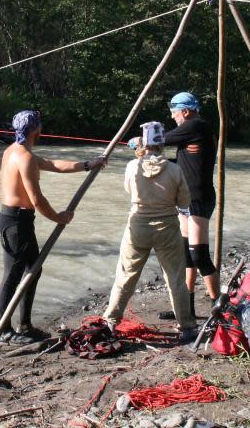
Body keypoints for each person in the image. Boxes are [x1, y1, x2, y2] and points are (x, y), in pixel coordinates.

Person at [0, 109, 106, 345]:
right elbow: (37, 200)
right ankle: (5, 331)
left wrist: (88, 164)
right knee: (13, 275)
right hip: (17, 222)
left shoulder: (15, 151)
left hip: (15, 220)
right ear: (36, 129)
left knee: (32, 271)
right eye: (39, 124)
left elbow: (55, 164)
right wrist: (59, 218)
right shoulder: (24, 157)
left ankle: (24, 325)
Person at [104, 121, 197, 343]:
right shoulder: (175, 169)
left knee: (125, 275)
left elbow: (129, 190)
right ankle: (186, 327)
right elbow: (184, 201)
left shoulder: (132, 167)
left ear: (143, 143)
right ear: (163, 144)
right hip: (167, 226)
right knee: (175, 277)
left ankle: (110, 322)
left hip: (138, 225)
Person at [164, 92, 219, 310]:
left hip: (199, 198)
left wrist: (142, 140)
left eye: (174, 111)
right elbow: (183, 161)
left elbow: (161, 139)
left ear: (185, 111)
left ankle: (218, 305)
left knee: (199, 254)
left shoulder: (195, 126)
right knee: (186, 253)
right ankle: (187, 305)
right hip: (186, 199)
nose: (172, 115)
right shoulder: (192, 132)